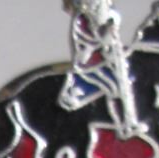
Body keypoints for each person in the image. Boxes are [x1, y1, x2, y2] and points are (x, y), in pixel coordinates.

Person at [61, 0, 143, 134]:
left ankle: (130, 121)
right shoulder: (82, 20)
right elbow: (90, 43)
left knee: (126, 81)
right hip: (91, 66)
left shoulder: (103, 19)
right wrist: (106, 35)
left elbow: (109, 41)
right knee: (115, 87)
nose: (99, 6)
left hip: (107, 62)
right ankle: (124, 125)